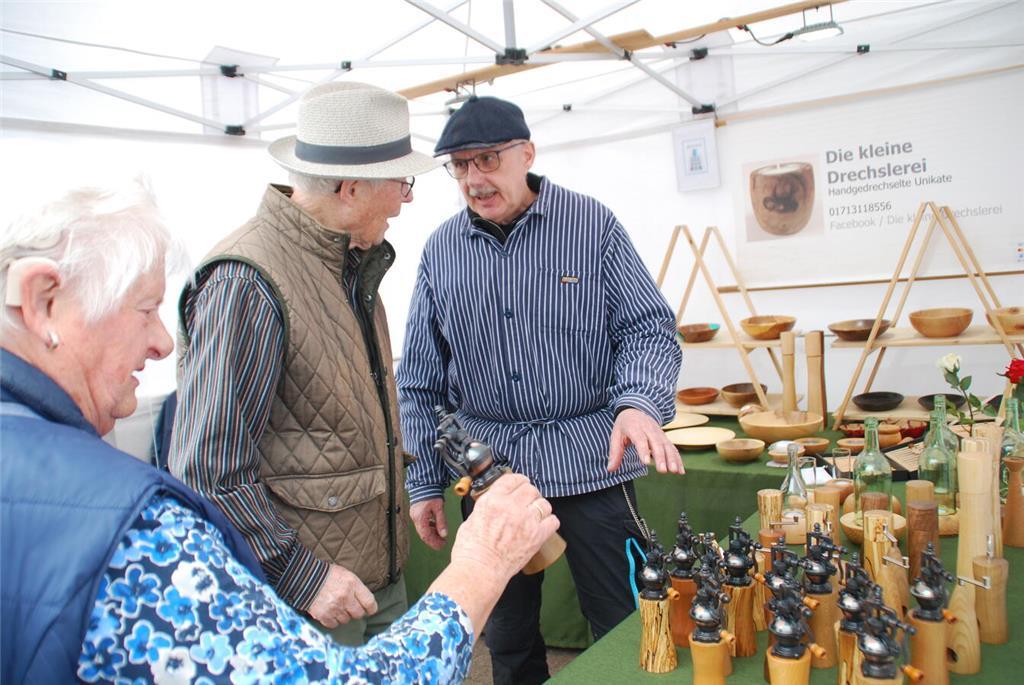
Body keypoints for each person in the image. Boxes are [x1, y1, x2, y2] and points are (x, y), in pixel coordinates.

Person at [0, 181, 560, 683]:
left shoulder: (353, 269)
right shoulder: (134, 528)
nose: (164, 343)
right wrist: (482, 563)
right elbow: (209, 467)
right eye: (145, 309)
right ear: (42, 300)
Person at [397, 95, 684, 684]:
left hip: (593, 463)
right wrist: (424, 480)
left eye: (487, 159)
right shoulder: (441, 252)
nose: (473, 179)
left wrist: (638, 403)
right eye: (459, 165)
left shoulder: (591, 226)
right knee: (505, 640)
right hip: (491, 478)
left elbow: (648, 327)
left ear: (526, 153)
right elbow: (420, 380)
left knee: (625, 623)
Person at [170, 82, 433, 645]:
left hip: (371, 581)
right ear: (350, 187)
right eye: (401, 183)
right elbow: (208, 470)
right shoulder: (249, 280)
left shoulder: (348, 262)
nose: (404, 201)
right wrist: (301, 575)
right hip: (307, 602)